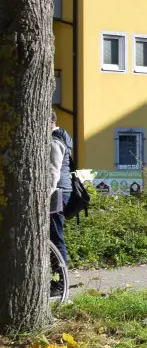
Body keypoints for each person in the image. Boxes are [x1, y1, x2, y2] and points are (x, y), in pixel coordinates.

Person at [49, 125, 73, 293]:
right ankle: (56, 281)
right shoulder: (63, 136)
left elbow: (53, 171)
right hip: (61, 191)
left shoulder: (55, 139)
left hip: (57, 192)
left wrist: (45, 195)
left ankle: (59, 284)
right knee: (53, 237)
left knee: (55, 237)